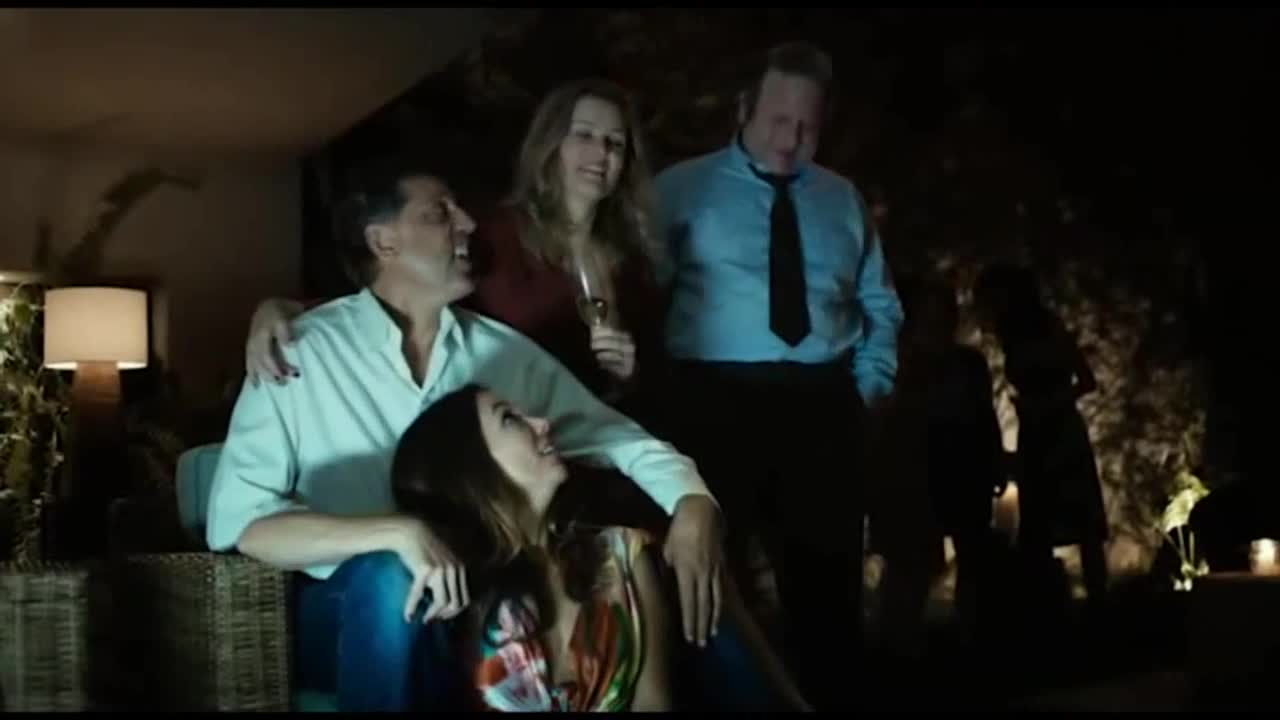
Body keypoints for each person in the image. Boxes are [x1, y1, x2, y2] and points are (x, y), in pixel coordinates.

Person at [205, 160, 724, 711]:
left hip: (480, 601)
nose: (469, 224)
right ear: (383, 242)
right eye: (439, 213)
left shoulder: (502, 354)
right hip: (341, 609)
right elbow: (239, 523)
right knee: (389, 577)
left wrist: (692, 501)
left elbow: (616, 437)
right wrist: (394, 533)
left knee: (666, 579)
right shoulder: (298, 353)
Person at [245, 77, 668, 530]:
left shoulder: (633, 261)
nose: (600, 153)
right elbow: (401, 291)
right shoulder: (496, 237)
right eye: (583, 135)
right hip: (498, 465)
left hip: (582, 448)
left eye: (615, 143)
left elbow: (646, 376)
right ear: (550, 146)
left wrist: (627, 376)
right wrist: (286, 309)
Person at [652, 41, 904, 710]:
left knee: (829, 601)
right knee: (709, 594)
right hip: (714, 402)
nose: (791, 142)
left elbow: (880, 305)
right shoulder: (679, 190)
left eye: (807, 127)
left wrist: (867, 389)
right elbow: (641, 291)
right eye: (778, 121)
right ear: (744, 109)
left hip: (821, 406)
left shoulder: (842, 200)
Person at [389, 383, 811, 711]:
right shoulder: (450, 597)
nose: (543, 423)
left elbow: (653, 703)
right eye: (510, 419)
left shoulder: (622, 555)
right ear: (471, 468)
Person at [973, 262, 1108, 610]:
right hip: (1035, 433)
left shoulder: (1049, 328)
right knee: (1039, 524)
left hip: (1060, 431)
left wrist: (1051, 401)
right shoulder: (1010, 333)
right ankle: (1047, 604)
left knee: (1082, 522)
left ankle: (1098, 605)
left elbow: (1086, 380)